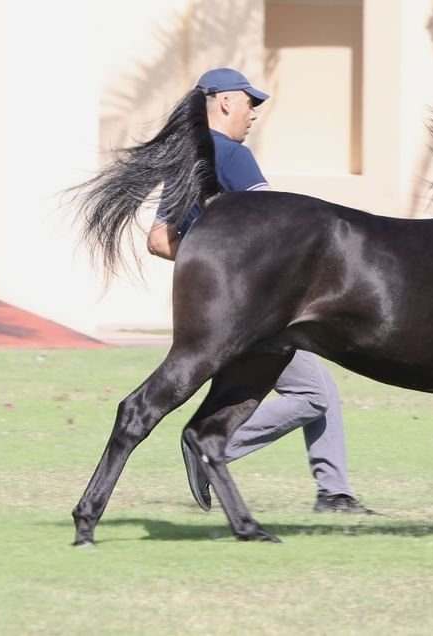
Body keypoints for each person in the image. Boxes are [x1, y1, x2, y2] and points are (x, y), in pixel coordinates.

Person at [147, 67, 372, 514]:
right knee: (313, 394)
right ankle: (211, 447)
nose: (254, 114)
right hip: (256, 311)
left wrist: (211, 271)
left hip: (214, 310)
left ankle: (334, 492)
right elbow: (275, 231)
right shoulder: (232, 155)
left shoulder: (187, 157)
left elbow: (158, 239)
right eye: (250, 102)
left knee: (319, 386)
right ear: (226, 101)